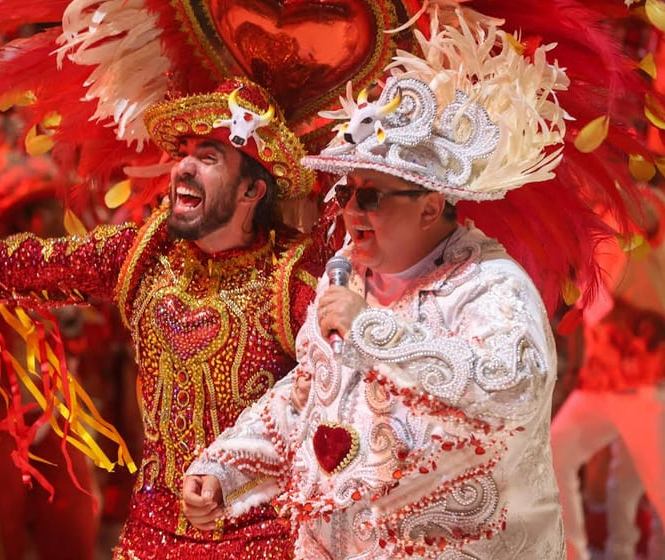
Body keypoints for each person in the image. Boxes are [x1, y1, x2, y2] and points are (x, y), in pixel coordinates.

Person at [0, 78, 330, 559]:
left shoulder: (295, 278)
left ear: (251, 192)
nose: (183, 168)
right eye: (184, 154)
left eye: (208, 157)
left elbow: (337, 392)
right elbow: (9, 265)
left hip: (265, 537)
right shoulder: (145, 255)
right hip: (152, 536)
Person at [182, 18, 571, 559]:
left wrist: (373, 331)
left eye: (371, 197)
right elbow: (306, 394)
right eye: (347, 192)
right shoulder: (345, 274)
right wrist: (224, 467)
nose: (349, 212)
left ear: (430, 208)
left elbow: (511, 386)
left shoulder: (489, 285)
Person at [550, 188, 665, 560]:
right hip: (603, 381)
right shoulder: (594, 218)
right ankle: (579, 553)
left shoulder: (633, 204)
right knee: (558, 453)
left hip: (643, 379)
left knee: (651, 486)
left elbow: (650, 218)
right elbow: (591, 306)